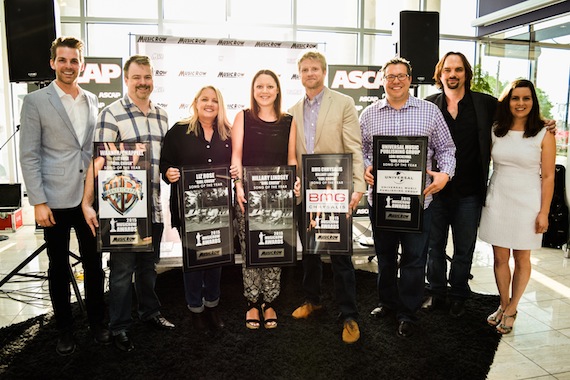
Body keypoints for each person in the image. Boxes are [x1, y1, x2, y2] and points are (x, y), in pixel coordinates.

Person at [424, 52, 556, 318]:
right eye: (448, 70)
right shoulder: (428, 105)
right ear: (440, 74)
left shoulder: (485, 104)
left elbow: (518, 111)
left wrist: (544, 123)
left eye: (458, 70)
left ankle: (459, 293)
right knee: (433, 247)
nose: (453, 74)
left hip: (470, 193)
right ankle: (437, 293)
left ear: (466, 74)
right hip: (435, 191)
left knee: (464, 249)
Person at [19, 36, 109, 356]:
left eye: (74, 61)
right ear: (52, 63)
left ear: (81, 65)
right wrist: (38, 202)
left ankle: (97, 323)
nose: (69, 66)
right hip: (53, 201)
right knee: (58, 268)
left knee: (95, 265)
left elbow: (90, 150)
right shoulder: (35, 102)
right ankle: (65, 329)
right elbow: (29, 154)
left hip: (88, 199)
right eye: (63, 60)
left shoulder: (91, 100)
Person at [82, 55, 174, 352]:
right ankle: (119, 325)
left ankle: (150, 312)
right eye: (137, 77)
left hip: (155, 207)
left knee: (149, 267)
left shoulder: (162, 115)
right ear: (126, 79)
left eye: (147, 77)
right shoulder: (111, 113)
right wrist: (88, 202)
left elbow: (164, 162)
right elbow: (97, 163)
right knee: (121, 272)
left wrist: (172, 172)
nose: (143, 82)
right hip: (123, 207)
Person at [360, 57, 456, 338]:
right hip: (381, 201)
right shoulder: (368, 115)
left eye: (402, 75)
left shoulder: (429, 112)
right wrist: (365, 165)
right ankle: (388, 304)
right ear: (382, 79)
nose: (396, 81)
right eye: (390, 76)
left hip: (419, 202)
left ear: (410, 79)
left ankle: (408, 313)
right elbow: (363, 150)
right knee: (385, 257)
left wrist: (445, 175)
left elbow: (447, 149)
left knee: (414, 259)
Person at [288, 50, 366, 344]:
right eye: (305, 69)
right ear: (300, 74)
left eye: (315, 69)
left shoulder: (344, 103)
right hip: (305, 192)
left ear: (324, 72)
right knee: (310, 251)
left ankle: (349, 315)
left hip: (336, 190)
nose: (310, 73)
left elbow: (353, 147)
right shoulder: (292, 110)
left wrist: (357, 186)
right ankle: (313, 301)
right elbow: (294, 155)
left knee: (340, 255)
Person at [478, 79, 555, 334]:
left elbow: (549, 177)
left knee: (522, 258)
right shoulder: (496, 129)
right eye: (515, 98)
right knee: (500, 257)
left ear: (533, 102)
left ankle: (513, 308)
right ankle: (503, 303)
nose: (520, 103)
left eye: (526, 98)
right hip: (498, 197)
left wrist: (544, 212)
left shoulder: (545, 133)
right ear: (507, 101)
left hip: (528, 202)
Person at [159, 85, 232, 331]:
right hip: (188, 211)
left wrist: (236, 170)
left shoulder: (228, 134)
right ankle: (195, 310)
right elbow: (165, 164)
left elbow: (237, 164)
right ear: (196, 102)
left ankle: (212, 306)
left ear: (219, 105)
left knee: (215, 261)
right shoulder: (178, 132)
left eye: (214, 100)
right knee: (193, 261)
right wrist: (168, 173)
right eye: (204, 99)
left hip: (219, 212)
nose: (209, 104)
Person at [231, 69, 298, 330]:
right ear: (253, 89)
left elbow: (291, 158)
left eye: (270, 86)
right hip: (247, 194)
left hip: (278, 196)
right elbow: (236, 156)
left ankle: (269, 301)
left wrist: (296, 179)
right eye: (260, 86)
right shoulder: (242, 117)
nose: (265, 91)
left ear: (278, 90)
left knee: (273, 248)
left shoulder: (289, 121)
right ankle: (251, 303)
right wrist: (237, 184)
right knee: (250, 250)